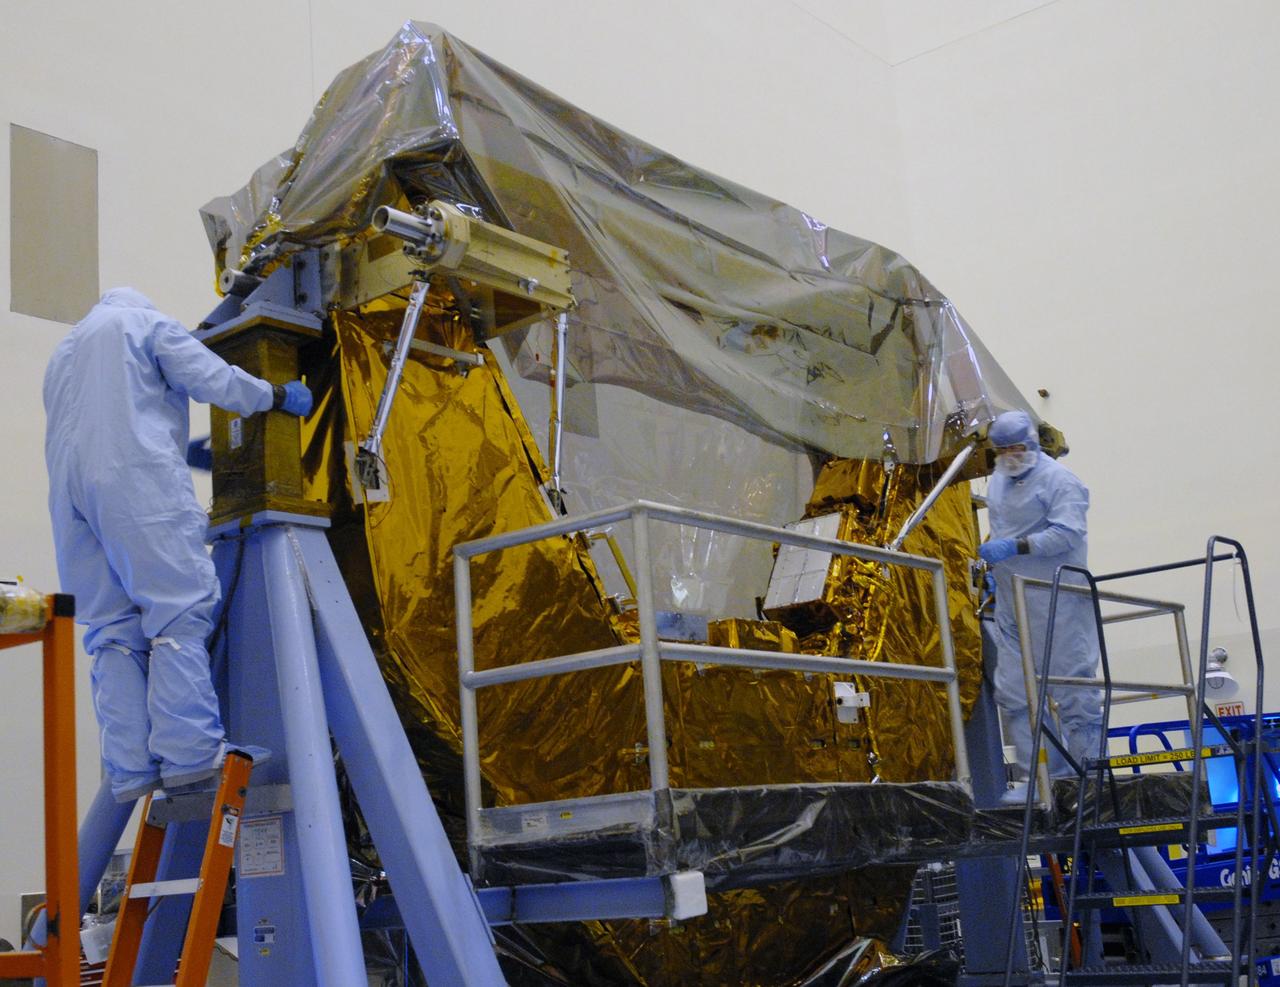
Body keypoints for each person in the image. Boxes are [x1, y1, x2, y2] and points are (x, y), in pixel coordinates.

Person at [44, 287, 312, 802]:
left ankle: (130, 767)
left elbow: (103, 420)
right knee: (177, 611)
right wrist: (275, 397)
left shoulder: (65, 351)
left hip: (73, 501)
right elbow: (212, 377)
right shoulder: (145, 325)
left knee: (111, 632)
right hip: (135, 483)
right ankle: (190, 756)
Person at [978, 410, 1101, 793]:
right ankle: (1042, 778)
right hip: (1012, 599)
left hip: (1058, 597)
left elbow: (1067, 532)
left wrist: (1017, 546)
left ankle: (1088, 778)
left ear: (1030, 444)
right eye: (1001, 451)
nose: (1008, 457)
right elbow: (1000, 527)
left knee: (1071, 690)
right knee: (1014, 692)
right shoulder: (999, 481)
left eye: (1014, 449)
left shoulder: (1061, 481)